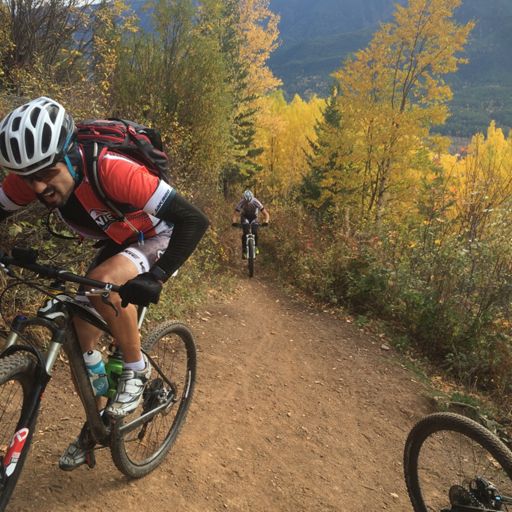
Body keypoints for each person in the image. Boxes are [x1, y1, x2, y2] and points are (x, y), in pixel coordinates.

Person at [0, 96, 209, 469]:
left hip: (161, 234)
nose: (39, 187)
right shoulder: (31, 177)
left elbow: (194, 220)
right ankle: (97, 424)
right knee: (80, 336)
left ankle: (136, 369)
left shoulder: (111, 169)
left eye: (47, 173)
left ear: (69, 156)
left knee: (101, 282)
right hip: (120, 237)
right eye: (29, 177)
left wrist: (158, 276)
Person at [231, 189, 269, 258]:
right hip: (245, 217)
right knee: (245, 232)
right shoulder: (241, 202)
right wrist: (234, 222)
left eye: (249, 201)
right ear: (244, 199)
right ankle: (244, 250)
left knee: (254, 231)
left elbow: (266, 213)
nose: (248, 203)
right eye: (246, 201)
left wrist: (266, 221)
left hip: (254, 217)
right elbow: (235, 214)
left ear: (252, 198)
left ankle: (256, 247)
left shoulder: (256, 201)